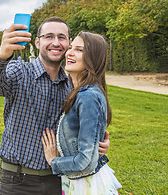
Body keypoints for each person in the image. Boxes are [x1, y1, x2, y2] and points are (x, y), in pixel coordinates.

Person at [0, 17, 110, 195]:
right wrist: (2, 54)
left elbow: (83, 130)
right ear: (38, 42)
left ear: (68, 44)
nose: (55, 42)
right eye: (49, 36)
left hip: (60, 179)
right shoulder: (19, 72)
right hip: (18, 180)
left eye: (62, 37)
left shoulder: (74, 87)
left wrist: (97, 143)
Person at [41, 31, 122, 194]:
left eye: (79, 50)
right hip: (79, 181)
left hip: (87, 185)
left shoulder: (87, 96)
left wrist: (53, 161)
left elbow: (87, 161)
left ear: (93, 58)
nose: (69, 53)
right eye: (71, 47)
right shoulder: (81, 91)